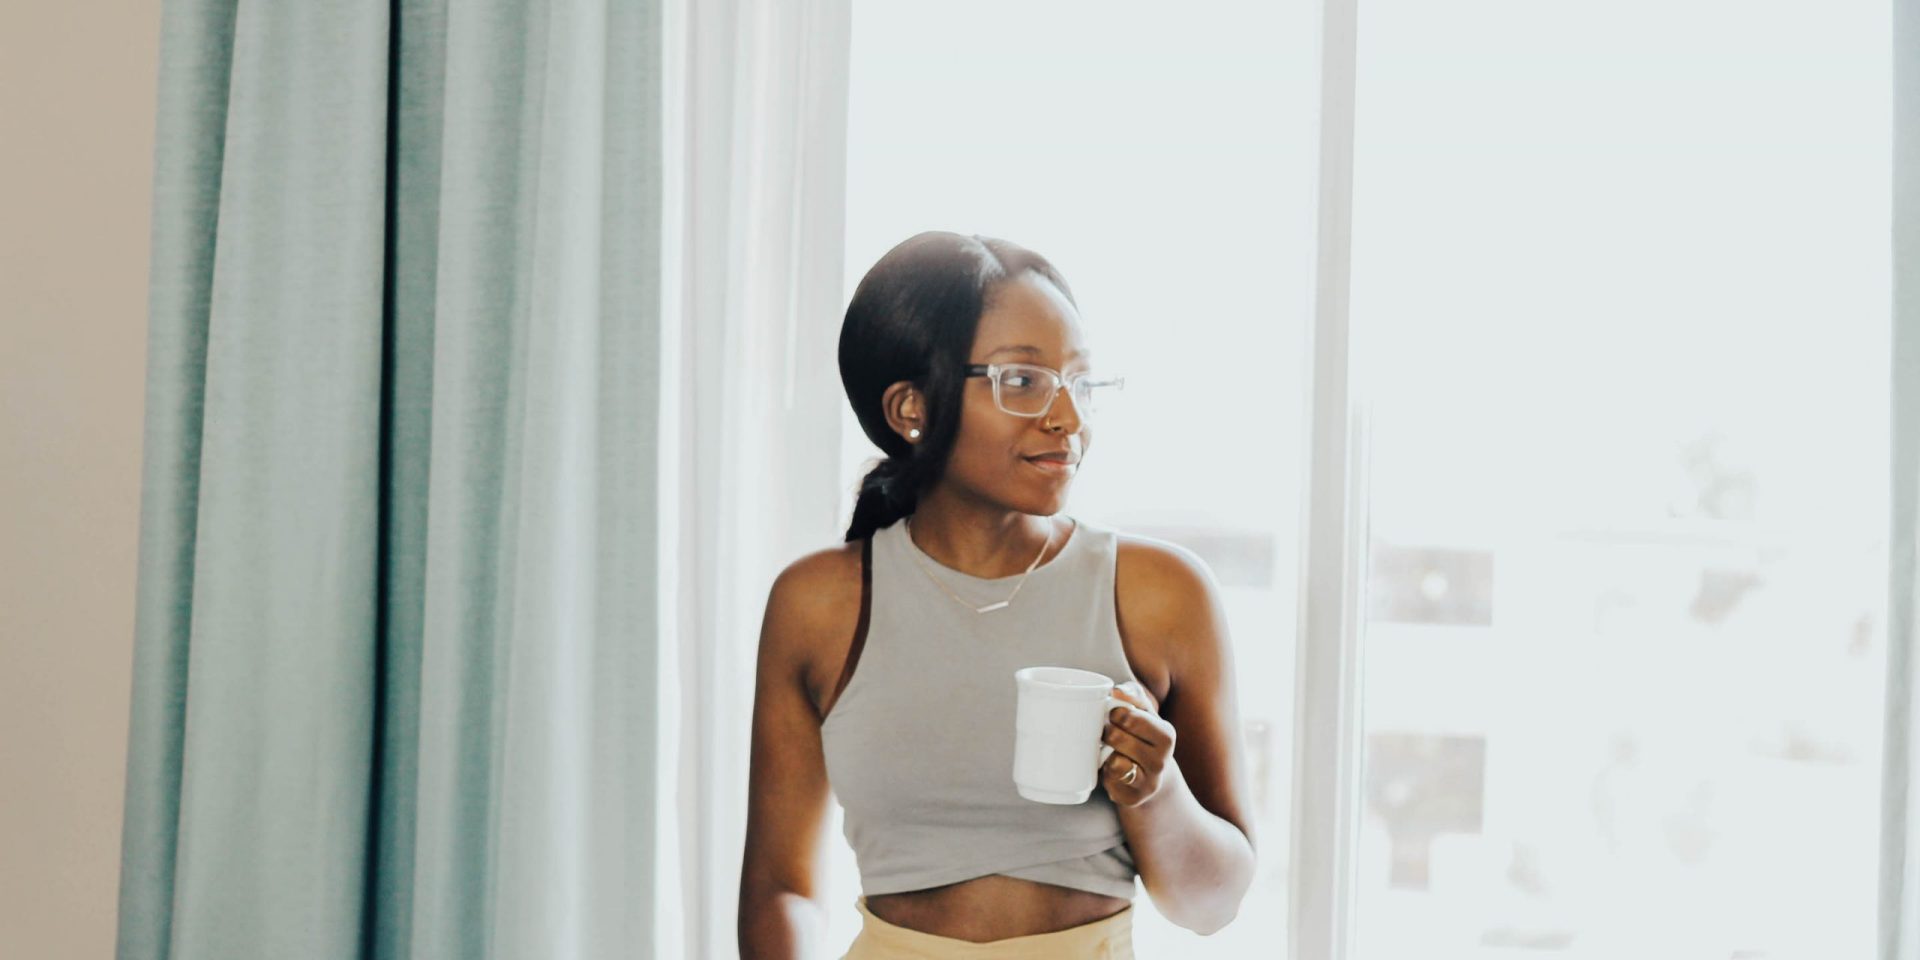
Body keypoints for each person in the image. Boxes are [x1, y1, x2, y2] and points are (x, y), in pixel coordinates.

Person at [738, 231, 1258, 958]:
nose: (1068, 420)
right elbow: (779, 888)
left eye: (1080, 383)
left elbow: (1213, 905)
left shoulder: (1161, 595)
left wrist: (1155, 791)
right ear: (910, 407)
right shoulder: (819, 604)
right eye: (1023, 381)